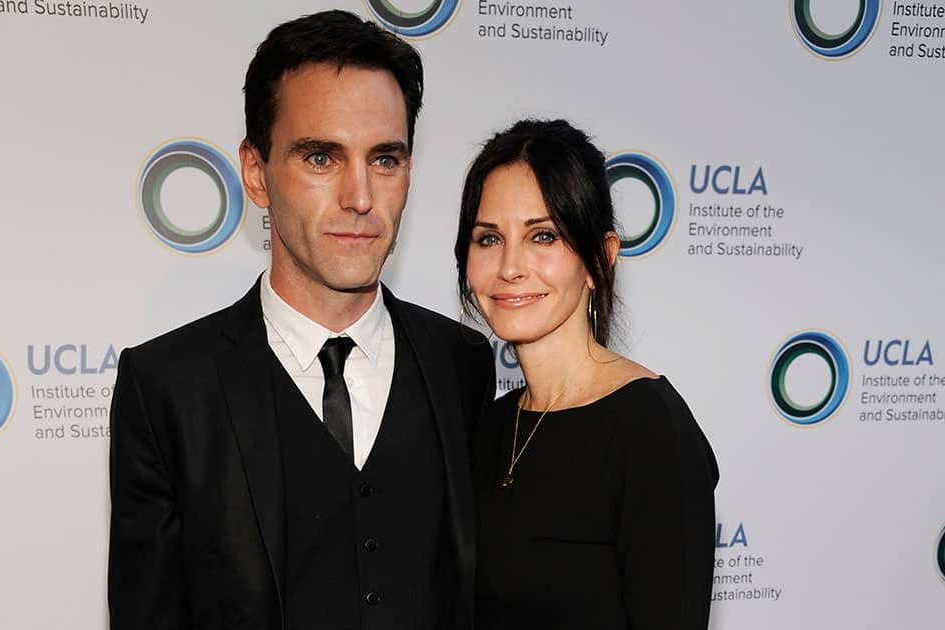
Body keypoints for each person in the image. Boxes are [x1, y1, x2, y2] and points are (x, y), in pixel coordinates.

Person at [108, 11, 495, 629]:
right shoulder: (167, 387)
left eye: (386, 159)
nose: (361, 197)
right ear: (256, 173)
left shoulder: (464, 363)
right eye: (321, 157)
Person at [454, 119, 719, 629]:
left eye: (543, 236)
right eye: (489, 238)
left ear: (601, 259)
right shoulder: (487, 424)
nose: (510, 266)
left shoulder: (650, 429)